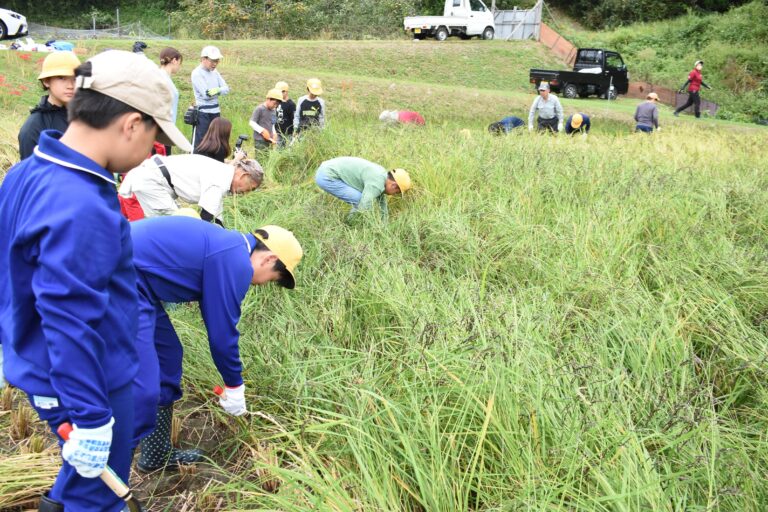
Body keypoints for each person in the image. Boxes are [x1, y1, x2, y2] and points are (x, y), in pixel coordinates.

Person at [0, 50, 190, 512]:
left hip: (47, 366)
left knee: (84, 485)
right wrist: (90, 417)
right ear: (130, 124)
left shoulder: (29, 171)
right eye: (155, 138)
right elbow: (68, 317)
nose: (151, 153)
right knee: (99, 497)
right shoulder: (80, 203)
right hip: (90, 378)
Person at [129, 217, 303, 471]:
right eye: (273, 279)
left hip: (138, 285)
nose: (266, 284)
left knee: (167, 357)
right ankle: (108, 467)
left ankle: (156, 455)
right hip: (117, 278)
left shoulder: (228, 247)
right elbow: (222, 334)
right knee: (144, 388)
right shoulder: (235, 262)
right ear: (267, 260)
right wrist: (234, 384)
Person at [118, 154, 263, 225]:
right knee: (173, 226)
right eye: (250, 188)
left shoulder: (224, 173)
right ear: (244, 175)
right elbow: (206, 218)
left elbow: (215, 216)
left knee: (176, 224)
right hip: (152, 181)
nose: (245, 193)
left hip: (155, 178)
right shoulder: (222, 179)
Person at [17, 51, 80, 160]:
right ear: (46, 81)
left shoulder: (85, 117)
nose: (70, 86)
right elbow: (31, 173)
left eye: (75, 79)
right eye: (61, 78)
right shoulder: (34, 126)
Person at [315, 156, 411, 222]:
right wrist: (371, 225)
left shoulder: (381, 175)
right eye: (396, 192)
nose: (394, 195)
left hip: (326, 167)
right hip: (327, 176)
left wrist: (384, 222)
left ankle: (350, 222)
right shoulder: (377, 183)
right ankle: (349, 224)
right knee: (360, 200)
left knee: (361, 200)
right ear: (394, 185)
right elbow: (364, 205)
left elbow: (382, 202)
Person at [191, 46, 229, 149]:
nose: (215, 64)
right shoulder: (196, 73)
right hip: (203, 113)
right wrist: (219, 90)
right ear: (204, 59)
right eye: (212, 61)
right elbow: (206, 95)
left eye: (217, 61)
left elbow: (226, 89)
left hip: (216, 112)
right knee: (201, 143)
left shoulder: (215, 72)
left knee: (215, 142)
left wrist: (216, 90)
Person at [159, 47, 183, 155]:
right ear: (174, 60)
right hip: (162, 128)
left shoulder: (165, 77)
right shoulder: (161, 78)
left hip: (168, 127)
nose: (179, 66)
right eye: (179, 63)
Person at [274, 80, 296, 146]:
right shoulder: (277, 102)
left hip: (288, 133)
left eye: (281, 92)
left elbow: (294, 118)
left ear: (286, 92)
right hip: (279, 132)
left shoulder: (291, 104)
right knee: (279, 150)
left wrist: (294, 131)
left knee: (289, 150)